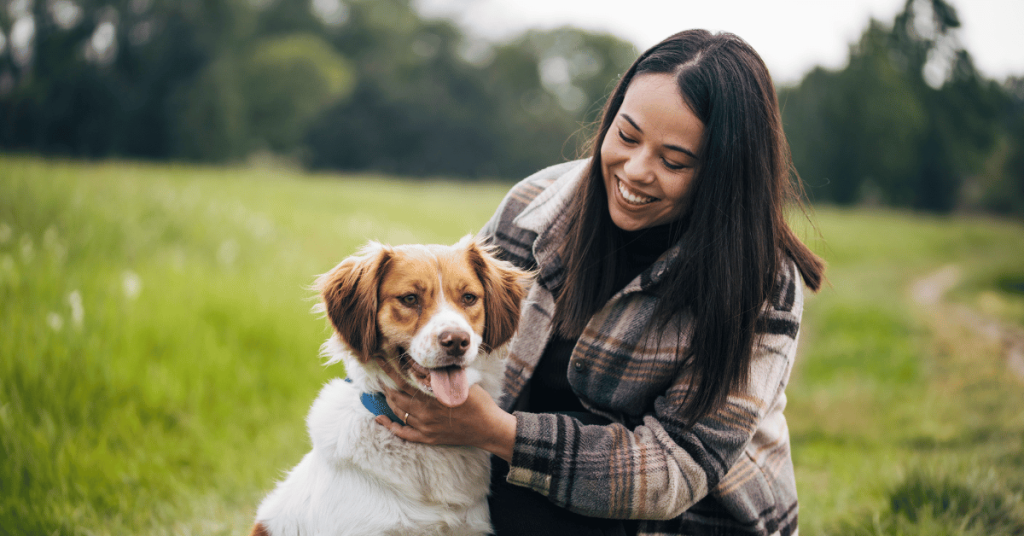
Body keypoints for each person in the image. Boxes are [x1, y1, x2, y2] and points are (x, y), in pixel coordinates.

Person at [377, 29, 825, 536]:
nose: (635, 171)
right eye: (627, 136)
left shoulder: (762, 282)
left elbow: (676, 470)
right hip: (516, 472)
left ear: (723, 173)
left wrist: (500, 433)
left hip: (687, 518)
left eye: (673, 161)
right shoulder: (533, 206)